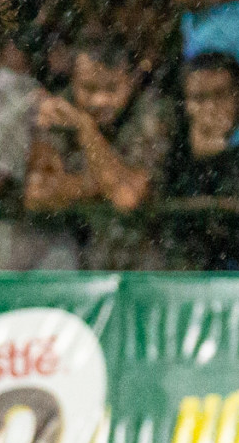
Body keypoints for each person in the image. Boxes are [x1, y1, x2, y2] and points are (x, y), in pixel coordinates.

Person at [23, 31, 174, 270]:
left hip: (144, 264)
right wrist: (100, 185)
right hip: (77, 262)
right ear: (73, 80)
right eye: (89, 88)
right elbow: (37, 195)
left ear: (132, 80)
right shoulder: (61, 107)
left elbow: (126, 197)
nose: (99, 101)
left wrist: (85, 127)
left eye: (112, 88)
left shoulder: (152, 109)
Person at [166, 53, 239, 269]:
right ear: (185, 104)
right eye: (199, 98)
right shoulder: (173, 144)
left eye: (221, 95)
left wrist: (220, 151)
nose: (211, 107)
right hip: (190, 270)